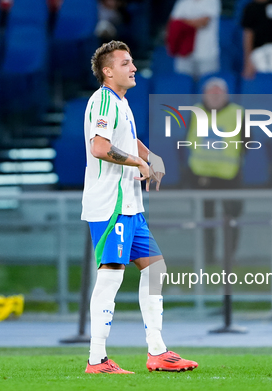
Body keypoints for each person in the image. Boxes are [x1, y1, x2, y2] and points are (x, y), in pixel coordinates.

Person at [82, 40, 198, 374]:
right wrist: (138, 163)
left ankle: (158, 352)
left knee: (155, 269)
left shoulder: (120, 101)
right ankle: (97, 359)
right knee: (110, 279)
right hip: (111, 205)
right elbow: (101, 148)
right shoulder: (104, 100)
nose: (133, 68)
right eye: (126, 63)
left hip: (130, 204)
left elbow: (124, 140)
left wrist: (151, 157)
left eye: (132, 62)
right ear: (108, 71)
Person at [183, 78, 245, 264]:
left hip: (230, 176)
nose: (215, 96)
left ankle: (229, 257)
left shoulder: (238, 113)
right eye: (212, 92)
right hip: (202, 177)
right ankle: (207, 258)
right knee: (205, 221)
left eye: (219, 92)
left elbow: (247, 143)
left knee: (232, 219)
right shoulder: (195, 113)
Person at [169, 0, 221, 79]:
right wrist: (190, 22)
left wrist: (182, 22)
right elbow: (173, 25)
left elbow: (203, 22)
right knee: (183, 84)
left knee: (207, 84)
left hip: (207, 54)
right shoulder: (182, 2)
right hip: (184, 53)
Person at [241, 0, 272, 79]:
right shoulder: (250, 8)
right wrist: (248, 61)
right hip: (259, 52)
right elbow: (248, 35)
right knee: (262, 82)